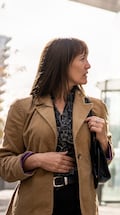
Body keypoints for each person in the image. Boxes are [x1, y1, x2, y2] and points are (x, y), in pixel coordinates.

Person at [0, 38, 113, 215]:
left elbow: (103, 164)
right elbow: (4, 165)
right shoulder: (22, 108)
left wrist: (103, 140)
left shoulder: (95, 107)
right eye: (82, 59)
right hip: (34, 207)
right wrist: (37, 159)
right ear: (62, 63)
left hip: (81, 207)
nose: (88, 65)